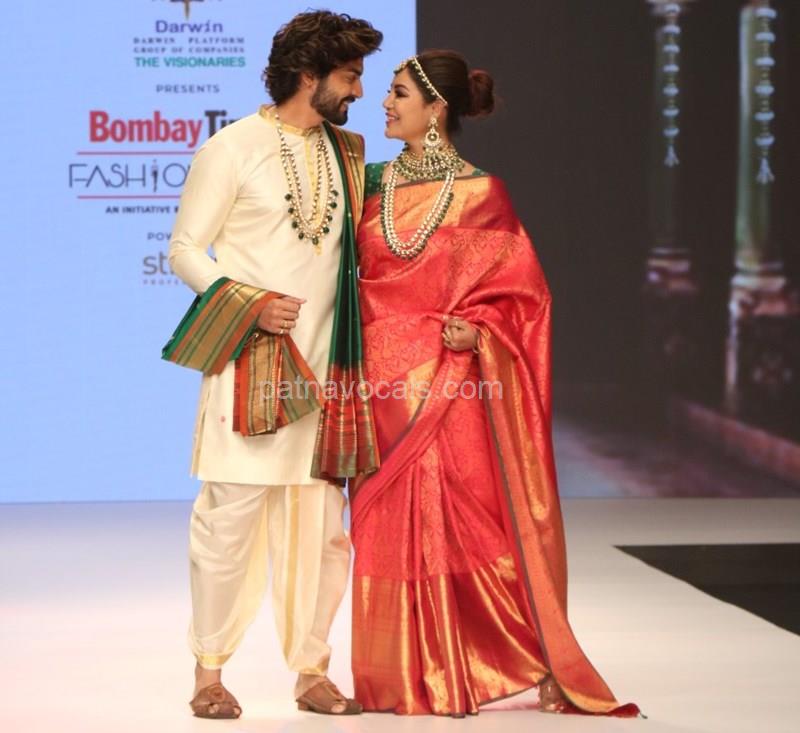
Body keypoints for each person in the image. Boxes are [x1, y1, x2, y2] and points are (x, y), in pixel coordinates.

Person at [350, 50, 639, 718]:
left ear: (436, 108)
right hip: (378, 388)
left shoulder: (483, 195)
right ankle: (396, 674)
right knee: (385, 527)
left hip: (451, 388)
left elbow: (525, 299)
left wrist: (479, 332)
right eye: (387, 91)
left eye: (398, 93)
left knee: (460, 526)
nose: (385, 103)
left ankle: (485, 664)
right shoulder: (367, 184)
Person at [164, 11, 382, 719]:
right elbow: (185, 249)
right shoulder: (231, 148)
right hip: (253, 366)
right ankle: (209, 673)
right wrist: (248, 302)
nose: (358, 91)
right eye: (349, 76)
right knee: (227, 525)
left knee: (323, 535)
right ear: (308, 75)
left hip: (329, 373)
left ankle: (311, 671)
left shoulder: (349, 152)